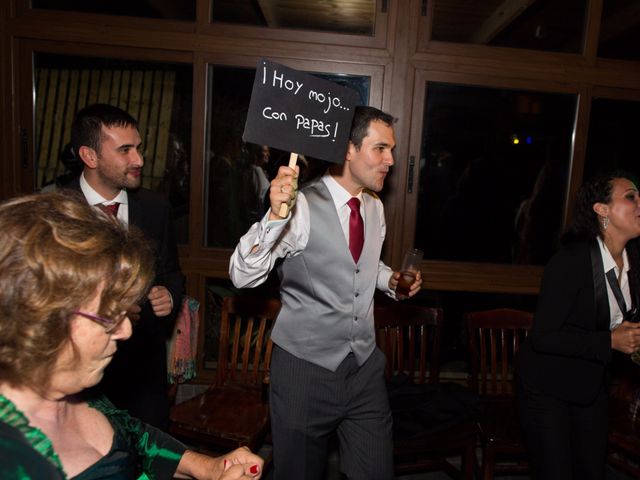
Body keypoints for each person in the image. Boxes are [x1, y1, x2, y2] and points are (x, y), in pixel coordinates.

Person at [0, 192, 263, 480]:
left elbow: (133, 436)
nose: (125, 330)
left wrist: (208, 467)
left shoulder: (79, 389)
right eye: (110, 315)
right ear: (42, 319)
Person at [230, 106, 423, 479]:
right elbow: (241, 276)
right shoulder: (299, 206)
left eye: (392, 150)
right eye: (380, 149)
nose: (391, 160)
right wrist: (273, 219)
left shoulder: (374, 208)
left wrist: (390, 281)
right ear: (348, 149)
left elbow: (362, 266)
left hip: (365, 370)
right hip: (304, 372)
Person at [65, 103, 184, 429]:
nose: (139, 160)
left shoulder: (156, 208)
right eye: (125, 150)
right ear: (90, 157)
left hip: (143, 373)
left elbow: (173, 272)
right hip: (78, 377)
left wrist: (169, 297)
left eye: (139, 148)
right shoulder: (57, 212)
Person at [516, 171, 640, 479]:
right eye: (631, 197)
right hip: (547, 386)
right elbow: (543, 337)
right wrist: (609, 342)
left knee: (591, 471)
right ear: (602, 210)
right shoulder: (571, 262)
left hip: (591, 384)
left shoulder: (635, 260)